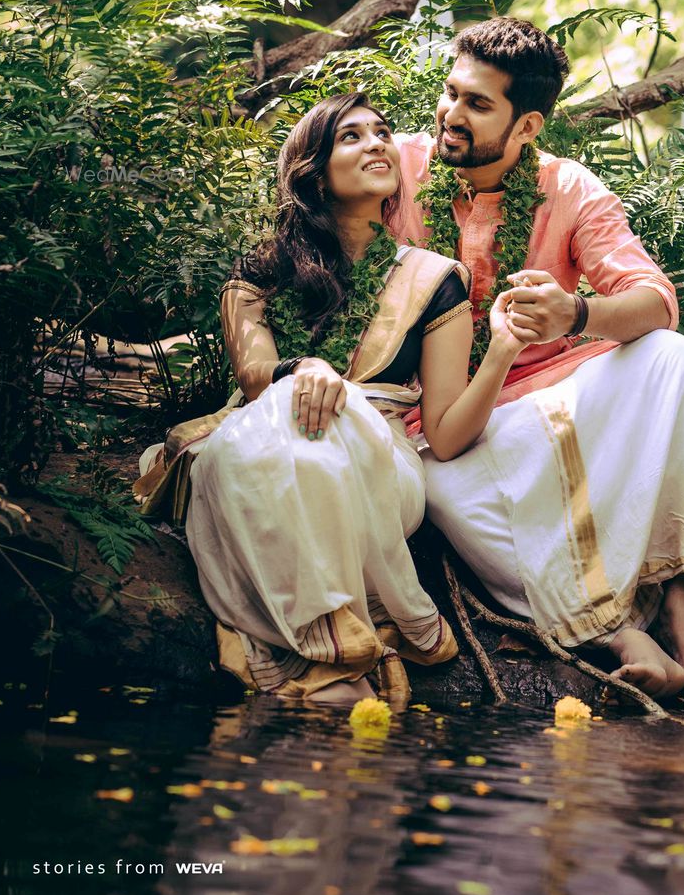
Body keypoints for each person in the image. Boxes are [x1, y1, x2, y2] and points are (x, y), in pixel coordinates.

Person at [386, 17, 684, 712]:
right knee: (441, 495)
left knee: (675, 359)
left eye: (477, 104)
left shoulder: (569, 189)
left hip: (553, 391)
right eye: (450, 92)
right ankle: (611, 632)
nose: (451, 115)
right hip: (437, 420)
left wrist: (575, 315)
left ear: (526, 128)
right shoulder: (401, 169)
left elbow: (655, 301)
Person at [134, 92, 531, 706]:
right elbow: (255, 374)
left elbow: (447, 435)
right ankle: (334, 657)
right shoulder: (259, 273)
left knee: (325, 442)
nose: (377, 143)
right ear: (314, 172)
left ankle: (325, 658)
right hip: (265, 441)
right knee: (234, 455)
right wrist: (306, 370)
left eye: (382, 132)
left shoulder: (434, 277)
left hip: (379, 464)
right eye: (352, 136)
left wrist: (501, 351)